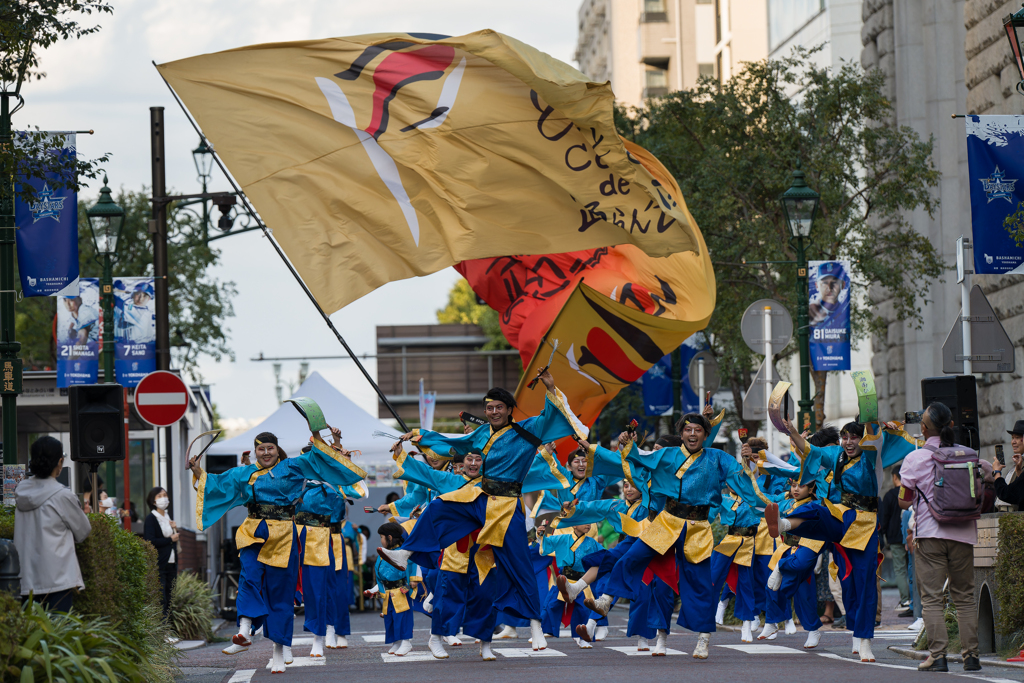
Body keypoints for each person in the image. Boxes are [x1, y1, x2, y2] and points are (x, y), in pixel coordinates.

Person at [377, 369, 585, 652]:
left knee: (520, 566)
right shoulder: (481, 433)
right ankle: (406, 553)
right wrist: (420, 436)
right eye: (489, 408)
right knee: (439, 506)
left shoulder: (527, 430)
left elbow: (553, 417)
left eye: (499, 407)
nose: (494, 412)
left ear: (510, 410)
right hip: (481, 496)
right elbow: (455, 444)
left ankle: (536, 626)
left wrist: (550, 387)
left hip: (508, 505)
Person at [576, 413, 773, 660]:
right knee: (632, 555)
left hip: (698, 527)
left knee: (701, 584)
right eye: (688, 430)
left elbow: (743, 482)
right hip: (667, 521)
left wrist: (749, 463)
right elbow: (637, 458)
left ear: (705, 434)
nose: (692, 434)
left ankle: (703, 639)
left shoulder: (718, 458)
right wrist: (625, 445)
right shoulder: (668, 455)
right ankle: (605, 599)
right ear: (681, 434)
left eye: (698, 430)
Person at [189, 426, 364, 673]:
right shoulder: (245, 473)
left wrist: (325, 438)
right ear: (256, 451)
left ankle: (280, 650)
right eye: (261, 449)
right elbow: (218, 484)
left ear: (276, 449)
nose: (266, 452)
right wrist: (198, 471)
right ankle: (244, 630)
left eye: (270, 448)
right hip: (253, 532)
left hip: (283, 536)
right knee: (249, 577)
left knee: (280, 595)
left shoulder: (291, 467)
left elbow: (316, 459)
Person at [898, 402, 990, 673]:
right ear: (951, 425)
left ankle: (937, 657)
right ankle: (971, 656)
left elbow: (904, 502)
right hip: (964, 533)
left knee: (932, 598)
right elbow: (986, 475)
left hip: (930, 534)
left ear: (924, 430)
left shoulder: (915, 459)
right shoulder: (969, 455)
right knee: (964, 596)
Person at [14, 436, 92, 612]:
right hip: (58, 580)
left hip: (25, 579)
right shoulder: (62, 496)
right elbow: (83, 531)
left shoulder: (21, 492)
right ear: (60, 462)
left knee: (30, 634)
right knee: (58, 635)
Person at [366, 522, 416, 656]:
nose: (381, 540)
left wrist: (413, 582)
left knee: (402, 617)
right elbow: (380, 577)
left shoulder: (404, 552)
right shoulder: (382, 554)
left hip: (401, 590)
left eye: (382, 537)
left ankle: (406, 642)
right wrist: (374, 590)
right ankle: (396, 642)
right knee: (391, 618)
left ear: (389, 537)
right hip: (388, 592)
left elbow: (413, 569)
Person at [143, 487, 178, 615]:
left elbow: (174, 539)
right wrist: (170, 540)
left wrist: (175, 531)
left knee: (170, 597)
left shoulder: (168, 517)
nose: (163, 498)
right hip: (160, 563)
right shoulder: (151, 518)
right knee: (161, 597)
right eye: (159, 496)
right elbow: (150, 540)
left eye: (165, 495)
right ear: (153, 501)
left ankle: (168, 629)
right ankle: (162, 630)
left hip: (172, 562)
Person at [879, 467, 911, 611]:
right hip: (910, 535)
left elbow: (884, 519)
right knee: (911, 568)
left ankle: (905, 600)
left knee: (900, 570)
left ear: (894, 477)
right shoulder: (910, 493)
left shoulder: (890, 495)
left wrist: (883, 535)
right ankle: (913, 599)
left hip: (894, 537)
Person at [993, 420, 1024, 506]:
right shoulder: (1018, 464)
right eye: (1012, 438)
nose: (1013, 442)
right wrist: (1018, 472)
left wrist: (996, 473)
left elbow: (1007, 494)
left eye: (1017, 438)